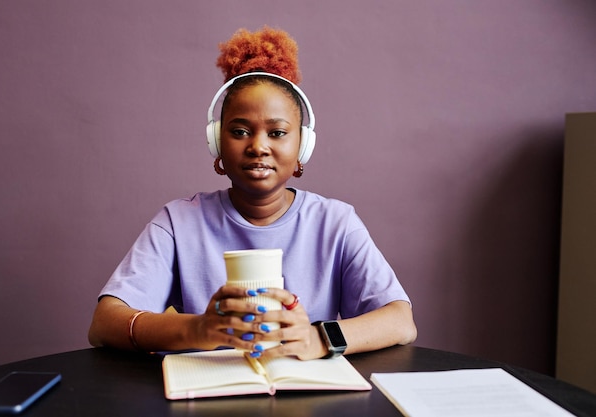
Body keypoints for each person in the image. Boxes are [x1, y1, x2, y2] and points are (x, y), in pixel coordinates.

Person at [88, 26, 417, 361]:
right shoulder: (178, 223)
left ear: (303, 146)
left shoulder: (336, 223)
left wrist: (319, 338)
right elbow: (104, 324)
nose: (258, 146)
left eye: (277, 132)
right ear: (216, 142)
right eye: (240, 131)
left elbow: (401, 321)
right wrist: (197, 329)